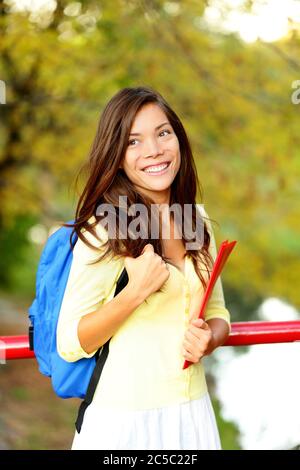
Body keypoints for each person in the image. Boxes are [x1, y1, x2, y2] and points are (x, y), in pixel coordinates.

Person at [56, 86, 231, 450]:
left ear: (178, 140)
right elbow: (70, 342)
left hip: (193, 415)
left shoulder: (197, 221)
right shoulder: (103, 230)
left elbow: (217, 312)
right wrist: (134, 293)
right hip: (125, 425)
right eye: (133, 141)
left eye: (163, 133)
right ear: (116, 156)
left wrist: (210, 338)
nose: (154, 150)